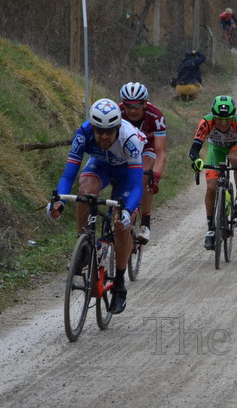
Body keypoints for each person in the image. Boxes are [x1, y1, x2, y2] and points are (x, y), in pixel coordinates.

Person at [47, 99, 145, 314]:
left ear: (118, 127)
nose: (103, 136)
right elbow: (68, 174)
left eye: (109, 131)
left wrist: (128, 211)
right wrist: (59, 201)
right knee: (84, 193)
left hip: (126, 174)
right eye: (99, 130)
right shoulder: (83, 133)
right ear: (92, 126)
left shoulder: (129, 139)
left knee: (121, 225)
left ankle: (119, 284)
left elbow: (138, 184)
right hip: (101, 166)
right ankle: (85, 242)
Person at [189, 96, 237, 250]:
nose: (224, 123)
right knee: (211, 187)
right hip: (216, 150)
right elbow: (194, 149)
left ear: (233, 115)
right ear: (213, 115)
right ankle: (210, 229)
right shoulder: (206, 122)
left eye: (228, 119)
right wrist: (196, 160)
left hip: (235, 146)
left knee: (235, 159)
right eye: (219, 119)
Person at [118, 82, 166, 245]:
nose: (132, 110)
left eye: (137, 105)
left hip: (148, 146)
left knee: (143, 174)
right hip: (125, 146)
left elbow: (160, 152)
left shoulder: (155, 116)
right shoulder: (117, 112)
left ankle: (145, 223)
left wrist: (156, 176)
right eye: (128, 105)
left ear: (145, 103)